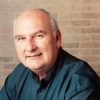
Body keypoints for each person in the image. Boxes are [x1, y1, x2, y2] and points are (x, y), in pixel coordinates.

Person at [0, 8, 100, 100]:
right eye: (21, 38)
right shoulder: (19, 73)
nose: (30, 47)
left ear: (57, 38)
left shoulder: (81, 83)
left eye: (39, 36)